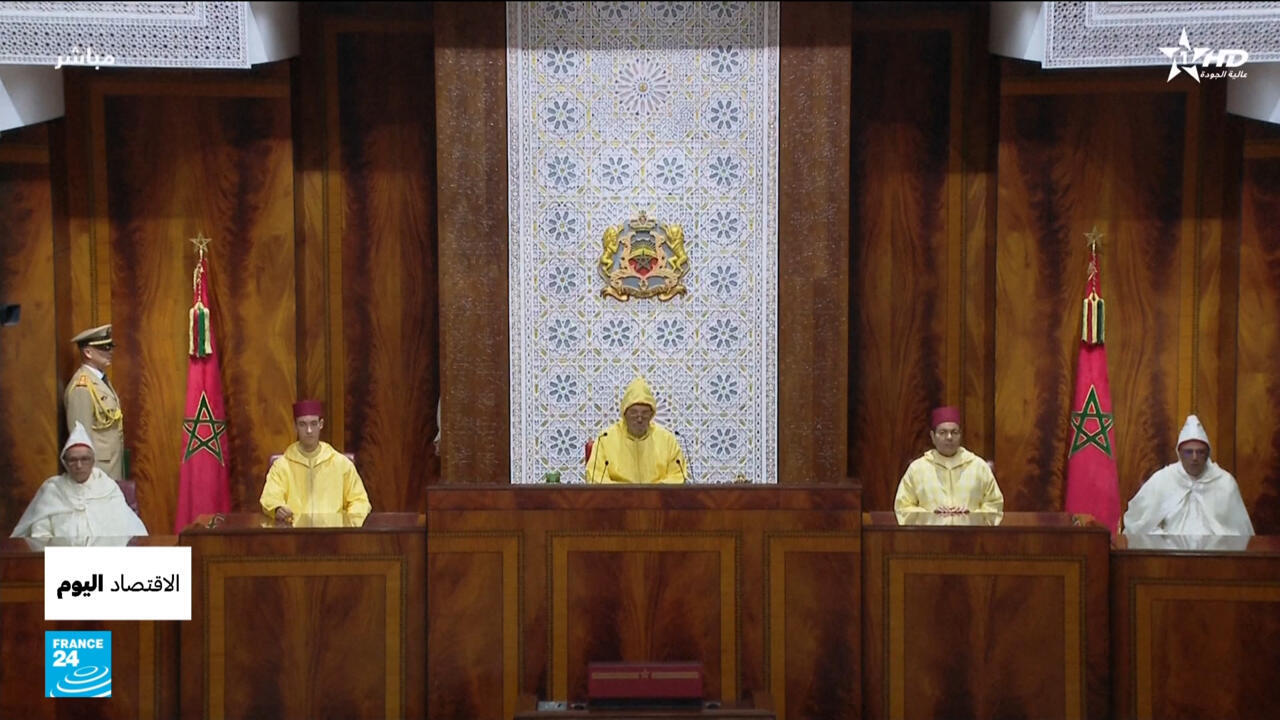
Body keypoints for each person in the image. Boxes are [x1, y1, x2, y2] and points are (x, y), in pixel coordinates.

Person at [11, 421, 147, 539]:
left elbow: (128, 529)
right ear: (65, 462)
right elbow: (40, 535)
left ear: (93, 461)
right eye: (73, 460)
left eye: (85, 459)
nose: (79, 465)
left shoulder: (108, 487)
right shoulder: (52, 490)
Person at [1122, 415, 1254, 536]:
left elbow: (1241, 533)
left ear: (1208, 453)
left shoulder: (1224, 482)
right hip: (1169, 551)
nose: (1194, 457)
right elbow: (1138, 524)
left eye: (1200, 452)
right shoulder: (1163, 479)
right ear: (1179, 453)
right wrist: (1165, 540)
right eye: (1189, 452)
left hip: (1215, 551)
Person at [260, 399, 371, 521]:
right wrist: (277, 508)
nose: (309, 430)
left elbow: (359, 501)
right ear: (295, 426)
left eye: (313, 424)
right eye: (303, 424)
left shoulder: (341, 464)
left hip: (333, 530)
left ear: (321, 424)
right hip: (294, 530)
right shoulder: (282, 466)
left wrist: (348, 523)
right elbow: (270, 498)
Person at [894, 406, 1004, 516]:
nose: (949, 437)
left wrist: (971, 515)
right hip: (930, 528)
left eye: (954, 432)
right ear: (933, 436)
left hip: (970, 527)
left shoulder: (978, 467)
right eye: (943, 432)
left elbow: (995, 505)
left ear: (960, 435)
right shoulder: (917, 469)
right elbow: (902, 507)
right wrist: (931, 515)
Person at [586, 376, 687, 484]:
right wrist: (625, 492)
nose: (639, 418)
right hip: (619, 494)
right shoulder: (605, 439)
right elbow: (595, 477)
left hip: (657, 494)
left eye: (645, 413)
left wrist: (654, 491)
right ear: (624, 413)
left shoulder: (667, 440)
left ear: (652, 414)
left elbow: (677, 476)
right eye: (634, 412)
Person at [64, 323, 124, 480]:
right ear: (88, 352)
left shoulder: (100, 380)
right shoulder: (82, 387)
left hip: (111, 464)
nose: (110, 352)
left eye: (110, 347)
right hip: (97, 469)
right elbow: (80, 436)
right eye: (104, 348)